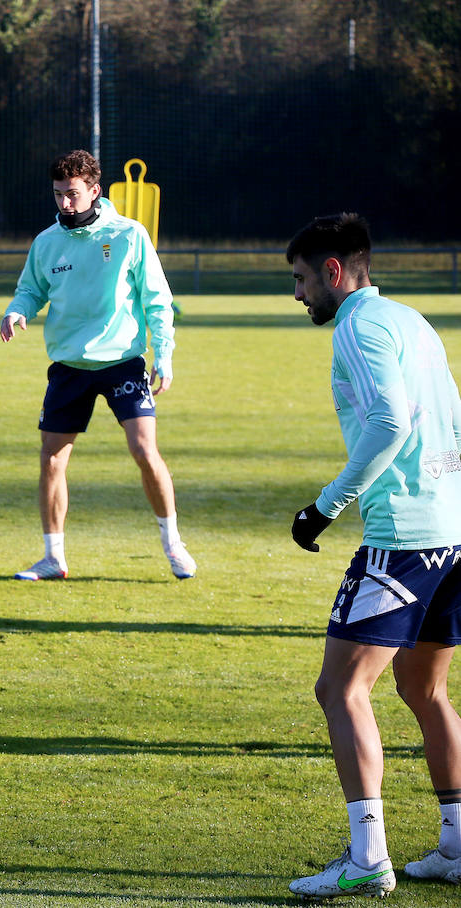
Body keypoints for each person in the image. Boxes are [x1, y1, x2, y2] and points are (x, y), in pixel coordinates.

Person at [285, 213, 461, 898]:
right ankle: (455, 845)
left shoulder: (358, 327)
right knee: (424, 690)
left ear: (334, 272)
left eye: (300, 279)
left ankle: (367, 857)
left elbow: (392, 420)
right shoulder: (412, 321)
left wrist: (325, 506)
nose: (298, 295)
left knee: (340, 689)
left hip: (405, 536)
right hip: (451, 528)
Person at [0, 149, 195, 581]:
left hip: (124, 362)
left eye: (72, 194)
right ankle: (53, 558)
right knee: (51, 461)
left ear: (94, 191)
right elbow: (31, 289)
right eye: (57, 195)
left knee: (145, 451)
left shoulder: (129, 235)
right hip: (69, 366)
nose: (64, 204)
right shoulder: (47, 242)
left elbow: (158, 300)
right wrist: (18, 310)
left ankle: (174, 544)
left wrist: (163, 354)